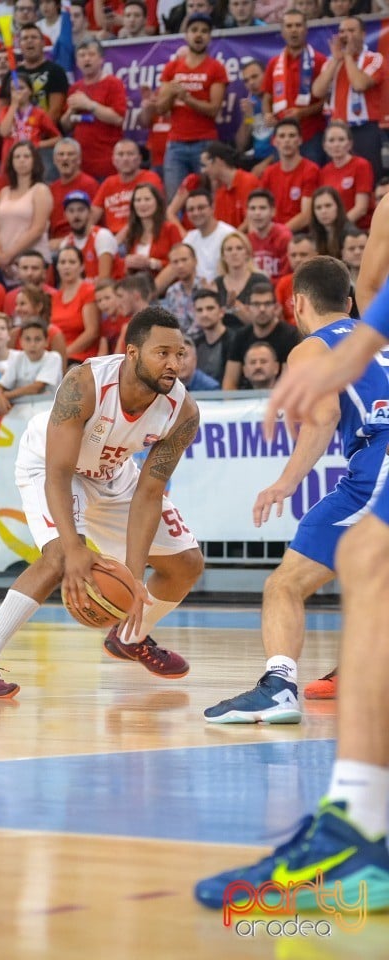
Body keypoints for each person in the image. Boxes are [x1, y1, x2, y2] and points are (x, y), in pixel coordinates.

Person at [195, 265, 389, 917]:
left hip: (374, 469)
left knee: (290, 583)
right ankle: (361, 821)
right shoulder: (371, 328)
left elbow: (324, 413)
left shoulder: (317, 340)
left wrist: (285, 480)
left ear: (296, 303)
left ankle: (280, 685)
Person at [0, 305, 204, 698]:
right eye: (162, 353)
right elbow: (58, 474)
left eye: (179, 354)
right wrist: (73, 546)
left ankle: (130, 637)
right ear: (132, 353)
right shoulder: (85, 383)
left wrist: (133, 577)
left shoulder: (183, 411)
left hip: (113, 475)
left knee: (186, 564)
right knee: (61, 558)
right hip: (50, 467)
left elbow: (150, 494)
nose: (174, 364)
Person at [155, 14, 228, 201]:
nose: (199, 35)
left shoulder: (216, 68)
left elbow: (214, 109)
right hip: (176, 145)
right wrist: (171, 93)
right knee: (174, 201)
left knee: (208, 200)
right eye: (194, 30)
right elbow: (161, 109)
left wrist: (187, 98)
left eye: (204, 31)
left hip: (205, 143)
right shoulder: (172, 67)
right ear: (186, 35)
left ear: (210, 37)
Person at [311, 15, 385, 184]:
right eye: (342, 31)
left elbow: (360, 84)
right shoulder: (332, 61)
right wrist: (337, 59)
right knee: (339, 180)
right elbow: (317, 91)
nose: (346, 35)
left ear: (363, 34)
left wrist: (348, 57)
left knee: (370, 178)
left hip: (365, 129)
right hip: (338, 130)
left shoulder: (374, 58)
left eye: (351, 30)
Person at [262, 8, 326, 166]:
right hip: (282, 137)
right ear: (282, 31)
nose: (294, 30)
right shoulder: (274, 63)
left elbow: (327, 101)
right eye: (289, 26)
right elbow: (267, 97)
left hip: (311, 135)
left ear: (306, 29)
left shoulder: (319, 60)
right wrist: (267, 114)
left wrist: (303, 112)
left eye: (298, 25)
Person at [60, 38, 126, 182]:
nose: (86, 59)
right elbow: (65, 126)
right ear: (77, 62)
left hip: (107, 162)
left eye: (91, 54)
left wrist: (89, 105)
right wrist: (71, 111)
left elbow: (118, 118)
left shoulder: (113, 84)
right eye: (82, 55)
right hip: (80, 164)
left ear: (101, 59)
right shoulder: (75, 88)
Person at [0, 141, 53, 285]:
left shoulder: (40, 190)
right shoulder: (4, 192)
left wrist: (9, 255)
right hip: (4, 265)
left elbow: (38, 228)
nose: (21, 160)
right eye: (17, 157)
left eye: (26, 156)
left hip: (32, 264)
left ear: (34, 160)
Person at [222, 281, 301, 389]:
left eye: (267, 304)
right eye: (256, 304)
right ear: (248, 308)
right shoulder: (240, 337)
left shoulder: (291, 335)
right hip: (244, 402)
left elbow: (288, 384)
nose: (262, 309)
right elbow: (229, 383)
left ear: (276, 307)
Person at [91, 138, 163, 243]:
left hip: (139, 236)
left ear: (139, 159)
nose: (125, 159)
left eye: (130, 154)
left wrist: (116, 242)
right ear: (113, 160)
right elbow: (92, 216)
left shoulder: (150, 178)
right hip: (111, 237)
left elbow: (153, 214)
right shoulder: (108, 183)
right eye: (120, 154)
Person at [0, 317, 64, 416]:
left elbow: (36, 388)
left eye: (37, 339)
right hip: (23, 413)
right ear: (21, 341)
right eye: (28, 339)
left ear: (46, 341)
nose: (32, 344)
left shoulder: (53, 357)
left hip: (49, 413)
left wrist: (5, 396)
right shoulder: (19, 358)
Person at [260, 119, 320, 232]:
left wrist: (279, 234)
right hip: (272, 232)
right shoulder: (269, 172)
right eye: (282, 136)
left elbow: (306, 216)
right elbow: (260, 207)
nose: (287, 140)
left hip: (300, 235)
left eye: (292, 136)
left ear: (300, 140)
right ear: (274, 141)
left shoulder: (310, 170)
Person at [0, 71, 60, 172]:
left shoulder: (39, 113)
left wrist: (38, 144)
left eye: (21, 88)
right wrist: (13, 106)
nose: (17, 93)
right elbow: (4, 132)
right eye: (13, 89)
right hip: (9, 162)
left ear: (30, 91)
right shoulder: (6, 111)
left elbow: (57, 138)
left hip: (31, 161)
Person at [319, 119, 374, 229]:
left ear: (349, 144)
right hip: (334, 229)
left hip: (359, 229)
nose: (336, 144)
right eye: (331, 140)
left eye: (341, 139)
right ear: (325, 146)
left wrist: (337, 228)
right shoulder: (324, 172)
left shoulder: (361, 165)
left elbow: (361, 208)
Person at [51, 245, 99, 364]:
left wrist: (65, 353)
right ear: (57, 267)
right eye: (62, 262)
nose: (66, 266)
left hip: (80, 357)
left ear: (82, 266)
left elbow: (92, 332)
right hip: (58, 356)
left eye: (72, 262)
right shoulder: (55, 296)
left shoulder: (88, 291)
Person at [211, 230, 269, 329]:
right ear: (223, 256)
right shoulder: (216, 283)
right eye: (229, 249)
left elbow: (263, 320)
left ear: (247, 253)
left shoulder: (260, 280)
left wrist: (234, 306)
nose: (234, 253)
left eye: (239, 248)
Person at [124, 183, 184, 278]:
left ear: (157, 202)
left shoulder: (170, 229)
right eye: (138, 200)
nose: (142, 204)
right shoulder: (132, 232)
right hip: (137, 285)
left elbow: (180, 263)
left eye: (147, 199)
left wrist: (151, 263)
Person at [59, 190, 119, 282]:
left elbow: (104, 280)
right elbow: (66, 284)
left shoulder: (102, 236)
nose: (76, 215)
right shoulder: (66, 244)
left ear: (90, 212)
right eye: (71, 211)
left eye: (81, 210)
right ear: (65, 215)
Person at [200, 141, 261, 230]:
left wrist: (232, 238)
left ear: (218, 161)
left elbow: (252, 219)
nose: (204, 171)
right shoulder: (220, 193)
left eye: (206, 165)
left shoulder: (248, 182)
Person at [49, 138, 99, 244]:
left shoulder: (89, 184)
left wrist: (65, 241)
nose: (65, 158)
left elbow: (92, 221)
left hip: (79, 241)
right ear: (54, 160)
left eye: (70, 154)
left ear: (79, 159)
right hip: (53, 243)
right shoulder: (51, 188)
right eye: (61, 154)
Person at [182, 188, 234, 283]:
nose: (196, 213)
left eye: (201, 208)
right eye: (191, 209)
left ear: (212, 208)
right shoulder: (189, 239)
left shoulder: (228, 235)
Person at [235, 59, 276, 179]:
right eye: (246, 80)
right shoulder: (250, 103)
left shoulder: (278, 98)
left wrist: (265, 164)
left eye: (255, 77)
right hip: (256, 159)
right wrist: (248, 117)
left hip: (277, 158)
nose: (251, 83)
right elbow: (241, 145)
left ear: (266, 75)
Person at [245, 188, 292, 285]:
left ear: (273, 211)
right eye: (252, 208)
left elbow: (287, 277)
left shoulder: (284, 237)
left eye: (262, 208)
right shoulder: (246, 241)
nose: (257, 213)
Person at [190, 288, 234, 383]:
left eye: (210, 308)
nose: (204, 314)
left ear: (221, 312)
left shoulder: (234, 340)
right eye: (199, 310)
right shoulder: (194, 343)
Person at [159, 242, 205, 333]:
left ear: (195, 261)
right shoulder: (171, 292)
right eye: (175, 262)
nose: (180, 265)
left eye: (184, 260)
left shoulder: (205, 287)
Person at [309, 185, 355, 258]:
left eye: (328, 205)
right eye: (318, 207)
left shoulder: (350, 234)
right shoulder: (314, 235)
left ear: (338, 207)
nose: (323, 211)